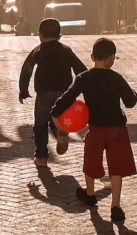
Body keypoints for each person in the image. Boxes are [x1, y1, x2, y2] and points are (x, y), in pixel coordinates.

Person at [51, 38, 137, 222]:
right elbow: (130, 102)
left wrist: (55, 113)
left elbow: (68, 97)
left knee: (91, 161)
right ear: (112, 58)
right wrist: (135, 94)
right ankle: (115, 207)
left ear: (92, 57)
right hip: (117, 128)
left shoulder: (84, 78)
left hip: (96, 127)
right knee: (116, 167)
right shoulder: (116, 78)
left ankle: (90, 194)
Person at [19, 18, 87, 167]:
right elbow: (80, 69)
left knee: (41, 124)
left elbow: (27, 69)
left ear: (40, 35)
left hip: (44, 93)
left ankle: (41, 157)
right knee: (57, 119)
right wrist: (86, 86)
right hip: (65, 93)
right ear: (59, 36)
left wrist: (23, 90)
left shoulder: (38, 50)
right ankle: (60, 132)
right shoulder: (66, 50)